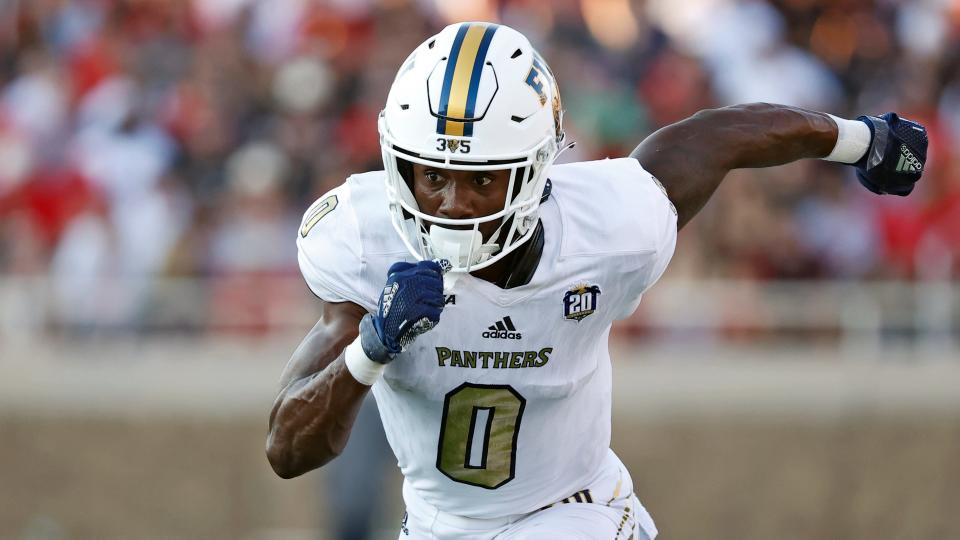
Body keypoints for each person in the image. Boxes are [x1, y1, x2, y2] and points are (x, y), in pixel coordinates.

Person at [266, 22, 927, 540]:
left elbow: (719, 137)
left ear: (534, 171)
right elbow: (287, 449)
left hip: (574, 510)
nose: (452, 204)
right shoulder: (362, 243)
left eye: (481, 178)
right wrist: (373, 346)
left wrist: (858, 138)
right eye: (432, 175)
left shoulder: (609, 224)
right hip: (439, 527)